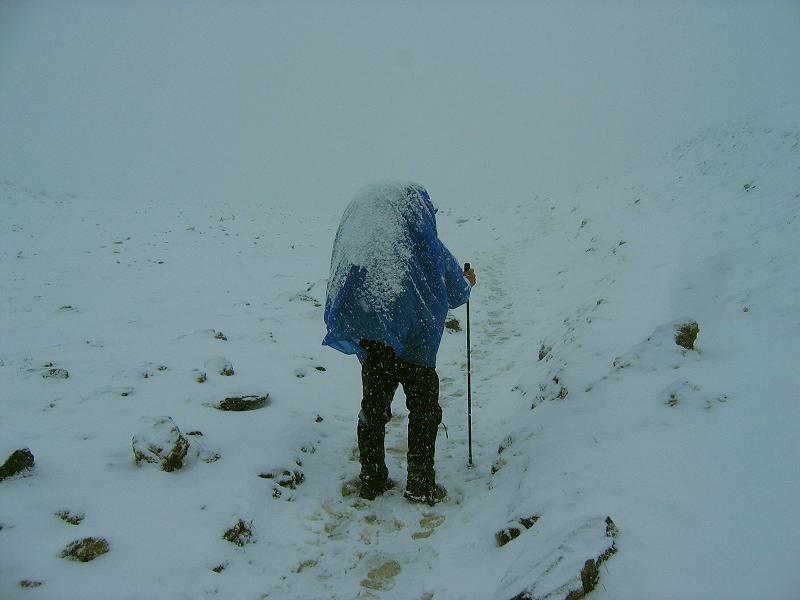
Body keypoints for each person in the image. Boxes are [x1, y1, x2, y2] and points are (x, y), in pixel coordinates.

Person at [323, 182, 476, 504]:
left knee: (373, 410)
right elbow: (456, 291)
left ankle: (372, 478)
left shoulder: (360, 251)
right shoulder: (426, 245)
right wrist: (468, 282)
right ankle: (420, 483)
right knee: (423, 410)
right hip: (419, 346)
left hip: (375, 345)